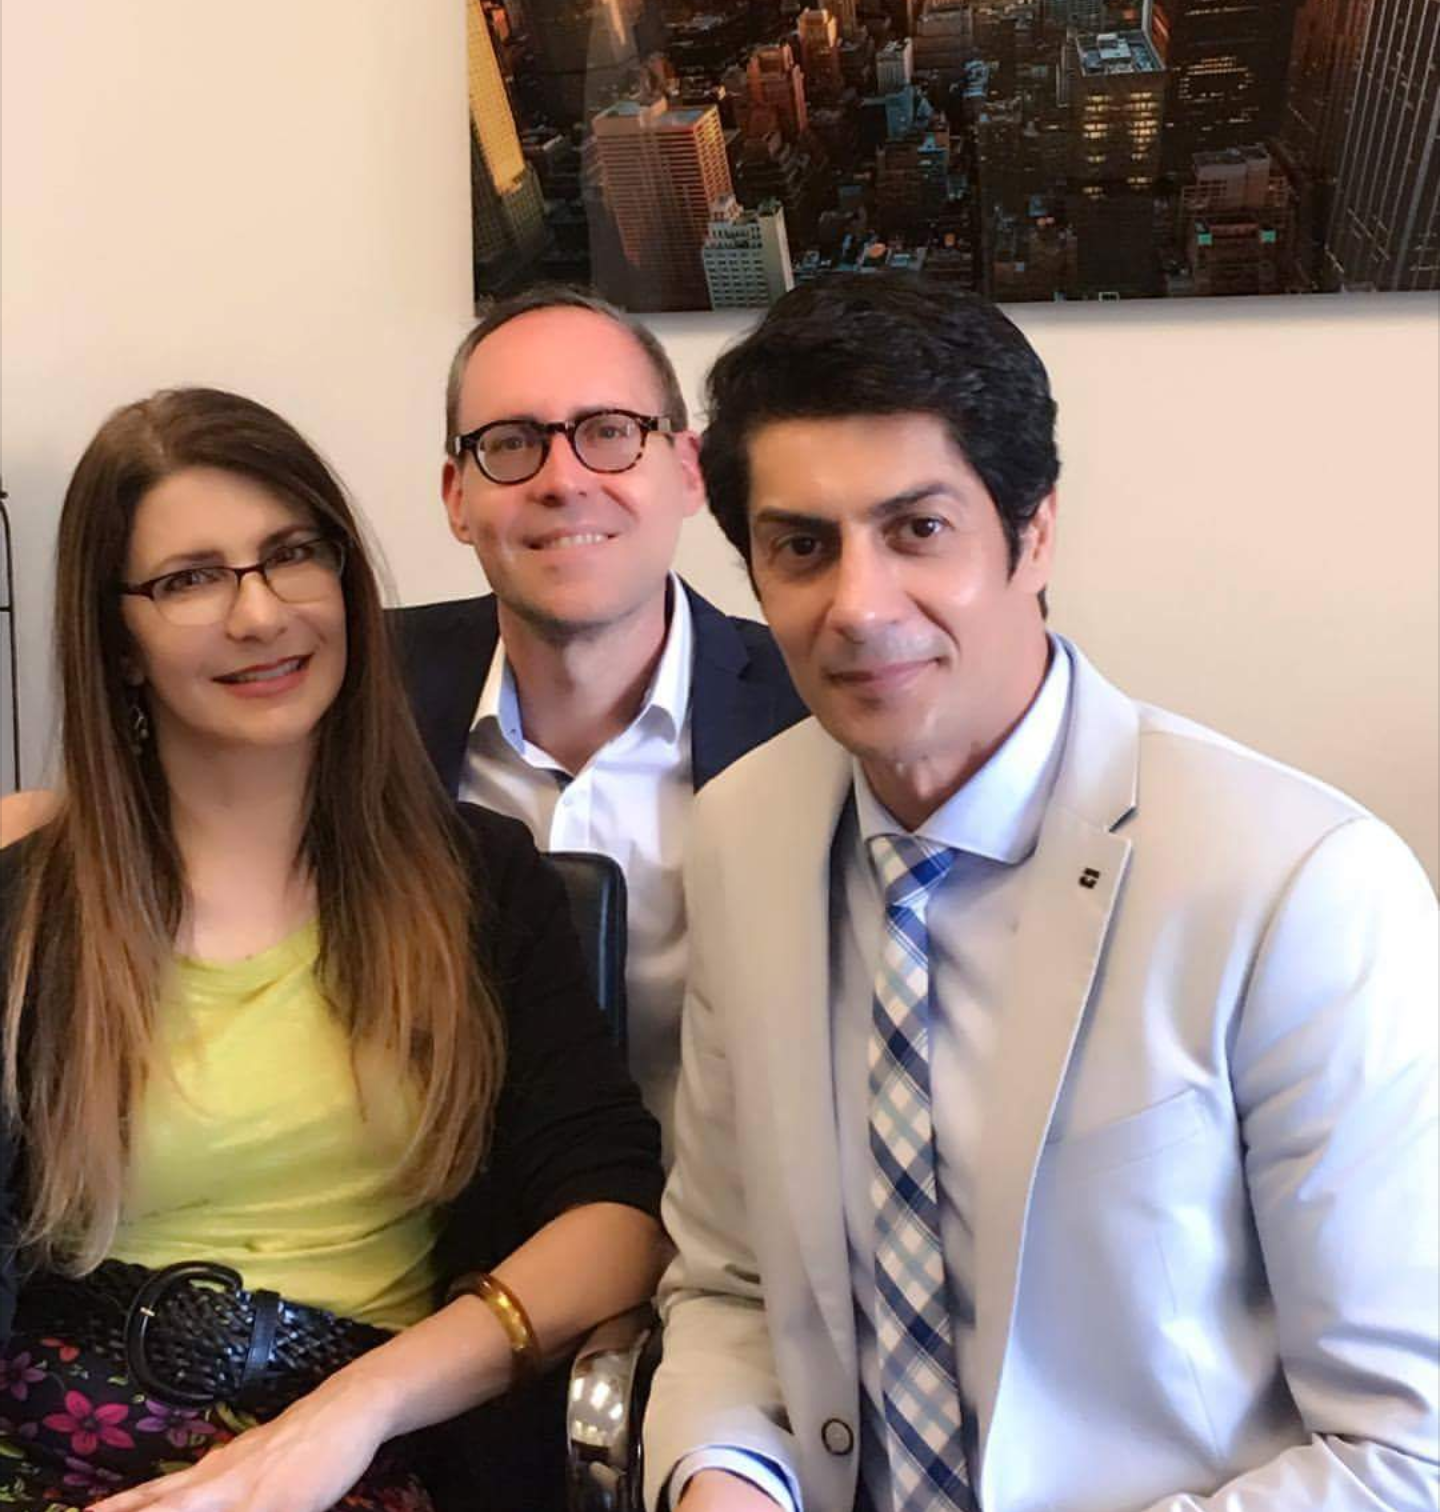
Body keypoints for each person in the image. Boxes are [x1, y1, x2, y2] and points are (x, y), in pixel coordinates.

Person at [643, 278, 1439, 1512]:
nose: (857, 606)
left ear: (1036, 532)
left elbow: (1406, 1448)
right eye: (802, 546)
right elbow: (730, 1284)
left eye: (918, 530)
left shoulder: (1298, 884)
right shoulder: (743, 832)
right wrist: (724, 1474)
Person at [0, 387, 665, 1512]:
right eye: (190, 579)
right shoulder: (30, 910)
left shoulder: (479, 884)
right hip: (52, 1446)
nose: (260, 614)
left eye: (293, 555)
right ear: (117, 639)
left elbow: (613, 1220)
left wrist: (352, 1412)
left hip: (361, 1453)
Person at [395, 286, 806, 1155]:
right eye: (511, 443)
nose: (563, 480)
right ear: (457, 496)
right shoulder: (360, 699)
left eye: (610, 432)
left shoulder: (815, 712)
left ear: (688, 469)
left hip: (733, 1227)